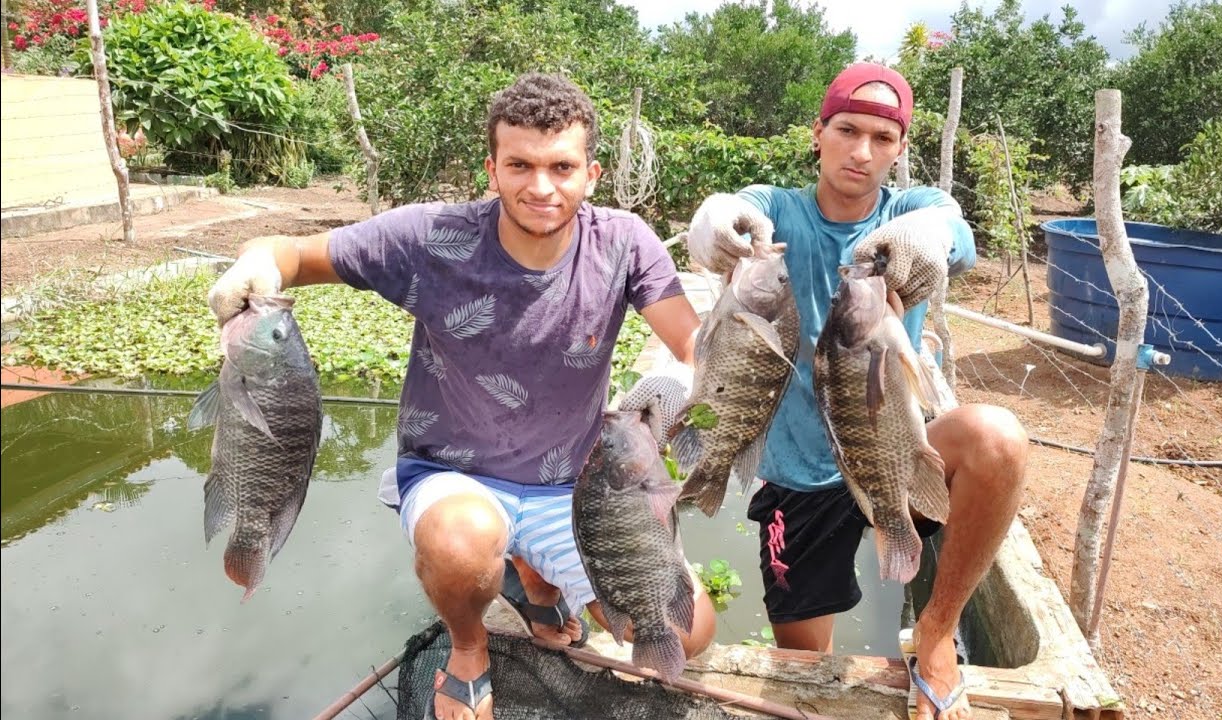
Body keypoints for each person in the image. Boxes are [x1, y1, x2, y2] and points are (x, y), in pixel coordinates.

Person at [205, 72, 716, 720]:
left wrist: (687, 381)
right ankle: (469, 645)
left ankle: (533, 575)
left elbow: (690, 343)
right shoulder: (431, 237)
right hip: (454, 475)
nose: (541, 186)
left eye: (561, 167)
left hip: (573, 486)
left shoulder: (624, 242)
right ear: (492, 169)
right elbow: (295, 254)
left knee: (684, 633)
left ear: (591, 174)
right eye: (520, 165)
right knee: (463, 544)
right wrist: (257, 262)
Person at [683, 63, 1029, 720]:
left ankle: (935, 634)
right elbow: (735, 208)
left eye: (881, 137)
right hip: (800, 481)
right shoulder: (777, 209)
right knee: (804, 666)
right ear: (818, 133)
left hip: (890, 451)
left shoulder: (911, 210)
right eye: (846, 130)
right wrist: (716, 218)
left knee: (998, 438)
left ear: (900, 148)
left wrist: (930, 237)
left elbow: (954, 232)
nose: (861, 151)